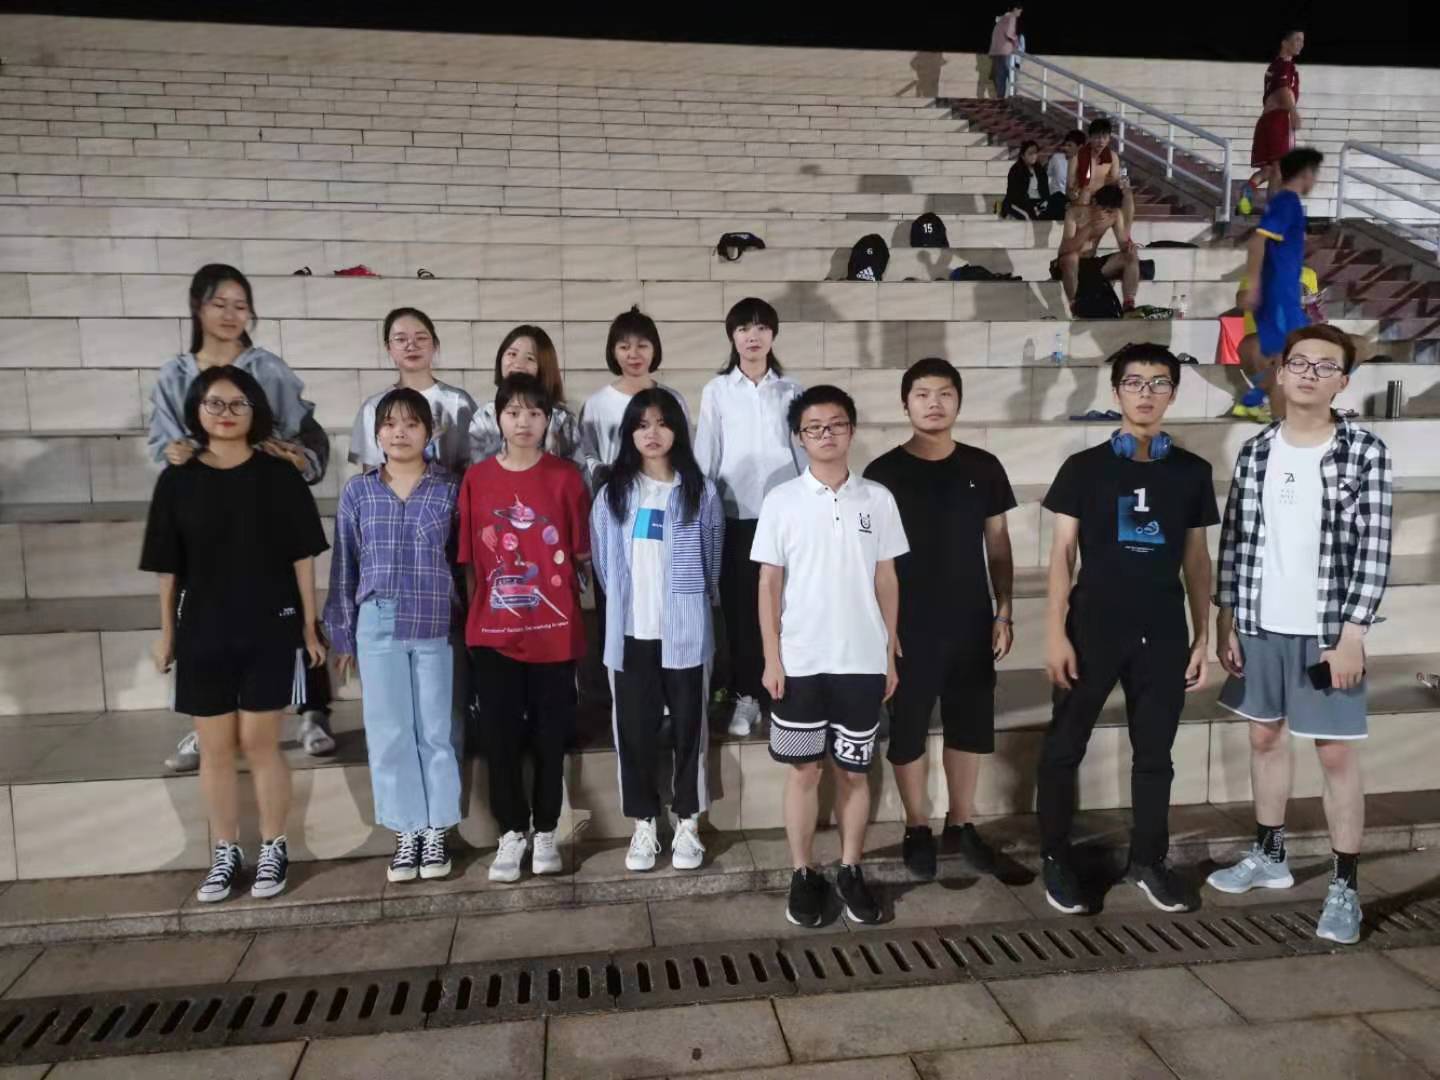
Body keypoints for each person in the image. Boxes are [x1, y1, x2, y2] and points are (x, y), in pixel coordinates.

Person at [1209, 325, 1391, 947]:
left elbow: (1374, 549)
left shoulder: (1363, 451)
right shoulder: (1257, 450)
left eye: (1325, 366)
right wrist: (1227, 618)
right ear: (1280, 373)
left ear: (1343, 382)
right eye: (1300, 363)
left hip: (1327, 632)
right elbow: (1236, 539)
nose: (1310, 373)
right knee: (1264, 737)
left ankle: (1345, 886)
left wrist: (1353, 633)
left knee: (1334, 754)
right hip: (1261, 624)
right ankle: (1270, 855)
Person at [1038, 344, 1219, 915]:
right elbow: (1062, 554)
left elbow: (1197, 559)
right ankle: (1055, 857)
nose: (1146, 393)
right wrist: (1054, 632)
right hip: (1092, 626)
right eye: (1135, 382)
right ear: (1116, 391)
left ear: (1173, 393)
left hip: (1162, 630)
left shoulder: (1192, 472)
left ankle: (1148, 860)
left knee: (1156, 754)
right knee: (1064, 746)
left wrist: (1202, 636)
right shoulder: (1083, 468)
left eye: (1159, 383)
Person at [141, 366, 328, 903]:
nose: (226, 414)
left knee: (260, 744)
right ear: (197, 410)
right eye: (215, 404)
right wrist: (167, 634)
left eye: (237, 404)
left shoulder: (279, 476)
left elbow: (303, 558)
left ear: (255, 411)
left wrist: (309, 628)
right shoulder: (177, 479)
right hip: (204, 630)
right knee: (216, 749)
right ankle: (225, 852)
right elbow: (167, 568)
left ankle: (273, 846)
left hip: (269, 627)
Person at [152, 264, 334, 774]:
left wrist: (297, 458)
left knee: (290, 602)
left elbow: (306, 434)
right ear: (197, 307)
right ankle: (209, 722)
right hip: (204, 503)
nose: (230, 314)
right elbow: (160, 442)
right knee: (204, 615)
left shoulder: (266, 367)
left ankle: (313, 709)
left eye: (240, 305)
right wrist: (173, 454)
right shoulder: (174, 375)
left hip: (265, 500)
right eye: (219, 303)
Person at [753, 386, 908, 928]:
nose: (826, 434)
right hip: (800, 660)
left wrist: (889, 653)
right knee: (803, 772)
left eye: (836, 424)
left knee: (853, 772)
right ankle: (802, 873)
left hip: (861, 660)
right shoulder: (781, 500)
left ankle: (850, 869)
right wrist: (772, 657)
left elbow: (887, 578)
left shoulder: (878, 499)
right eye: (814, 427)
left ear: (851, 430)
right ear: (799, 437)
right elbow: (768, 584)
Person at [864, 358, 1015, 881]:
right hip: (908, 625)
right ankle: (916, 826)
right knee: (908, 728)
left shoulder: (984, 466)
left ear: (959, 401)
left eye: (945, 393)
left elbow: (998, 543)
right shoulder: (882, 474)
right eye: (922, 394)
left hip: (971, 619)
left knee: (969, 725)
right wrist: (883, 632)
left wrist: (1004, 610)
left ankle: (962, 822)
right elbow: (871, 560)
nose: (934, 403)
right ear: (905, 403)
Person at [325, 388, 463, 885]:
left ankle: (437, 829)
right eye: (389, 424)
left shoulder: (450, 489)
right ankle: (407, 831)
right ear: (377, 433)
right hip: (377, 620)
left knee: (436, 730)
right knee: (388, 731)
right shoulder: (358, 492)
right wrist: (342, 633)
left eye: (411, 423)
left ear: (430, 431)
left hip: (434, 619)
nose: (399, 432)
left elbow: (462, 562)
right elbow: (344, 564)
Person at [459, 373, 591, 884]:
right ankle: (511, 832)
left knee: (550, 736)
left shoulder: (566, 478)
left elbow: (579, 556)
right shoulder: (477, 480)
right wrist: (480, 621)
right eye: (513, 412)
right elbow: (471, 565)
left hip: (554, 632)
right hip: (494, 636)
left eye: (535, 412)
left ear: (548, 420)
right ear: (498, 418)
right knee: (500, 738)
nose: (524, 422)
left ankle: (546, 831)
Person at [590, 390, 724, 873]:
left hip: (685, 630)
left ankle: (688, 820)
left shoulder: (700, 491)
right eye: (642, 424)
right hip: (631, 633)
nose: (652, 433)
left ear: (677, 431)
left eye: (662, 423)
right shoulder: (613, 493)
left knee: (690, 728)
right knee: (633, 731)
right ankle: (644, 822)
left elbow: (712, 558)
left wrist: (694, 603)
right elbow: (604, 564)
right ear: (629, 433)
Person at [694, 298, 806, 738]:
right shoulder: (717, 390)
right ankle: (746, 695)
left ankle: (784, 690)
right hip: (736, 516)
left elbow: (802, 452)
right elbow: (707, 454)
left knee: (787, 606)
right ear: (732, 336)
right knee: (741, 610)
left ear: (773, 335)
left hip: (785, 518)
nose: (752, 336)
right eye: (743, 329)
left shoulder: (792, 390)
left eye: (761, 328)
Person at [1239, 148, 1324, 415]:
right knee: (1291, 360)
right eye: (1315, 174)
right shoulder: (1287, 201)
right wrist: (1254, 285)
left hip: (1283, 292)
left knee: (1287, 358)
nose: (1315, 180)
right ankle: (1279, 421)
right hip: (1278, 294)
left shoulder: (1287, 202)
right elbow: (1257, 241)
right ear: (1306, 173)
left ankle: (1254, 398)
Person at [349, 308, 478, 476]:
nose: (411, 345)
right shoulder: (373, 407)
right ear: (389, 348)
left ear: (435, 345)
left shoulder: (459, 402)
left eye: (421, 338)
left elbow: (476, 467)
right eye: (401, 339)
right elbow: (370, 477)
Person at [579, 305, 691, 493]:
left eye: (642, 346)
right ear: (613, 352)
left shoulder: (673, 400)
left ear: (654, 349)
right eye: (624, 347)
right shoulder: (596, 404)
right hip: (614, 498)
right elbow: (587, 457)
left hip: (665, 496)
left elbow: (686, 452)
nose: (633, 354)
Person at [468, 325, 585, 471]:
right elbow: (477, 474)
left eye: (530, 358)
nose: (518, 364)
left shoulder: (561, 420)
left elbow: (578, 475)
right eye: (512, 354)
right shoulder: (484, 417)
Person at [1222, 265, 1324, 422]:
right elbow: (1242, 301)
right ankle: (1267, 400)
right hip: (1262, 336)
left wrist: (1312, 308)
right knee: (1256, 347)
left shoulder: (1308, 273)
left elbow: (1312, 309)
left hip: (1295, 335)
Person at [1241, 29, 1305, 215]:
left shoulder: (1273, 67)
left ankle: (1247, 191)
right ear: (1284, 43)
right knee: (1280, 169)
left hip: (1265, 121)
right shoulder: (1286, 65)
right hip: (1279, 120)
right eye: (1297, 39)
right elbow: (1284, 90)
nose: (1301, 44)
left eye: (1302, 40)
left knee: (1268, 170)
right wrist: (1293, 112)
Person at [1057, 183, 1140, 317]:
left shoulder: (1115, 215)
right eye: (1104, 210)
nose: (1106, 215)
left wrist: (1129, 247)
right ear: (1094, 202)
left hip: (1092, 263)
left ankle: (1129, 304)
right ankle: (1074, 305)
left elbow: (1122, 242)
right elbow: (1065, 250)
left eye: (1110, 211)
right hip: (1069, 263)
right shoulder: (1074, 214)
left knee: (1130, 257)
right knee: (1071, 258)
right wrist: (1090, 226)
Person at [1000, 140, 1053, 221]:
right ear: (1023, 156)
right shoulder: (1016, 170)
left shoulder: (1040, 170)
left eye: (1035, 153)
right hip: (1019, 203)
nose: (1034, 156)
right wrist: (1033, 207)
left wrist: (1043, 203)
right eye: (1030, 153)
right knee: (1029, 216)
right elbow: (1014, 195)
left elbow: (1045, 191)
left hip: (1037, 203)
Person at [1045, 130, 1086, 220]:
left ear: (1080, 147)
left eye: (1070, 146)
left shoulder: (1086, 164)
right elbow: (1048, 176)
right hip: (1057, 199)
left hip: (1075, 200)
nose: (1066, 148)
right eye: (1065, 145)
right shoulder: (1056, 158)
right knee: (1058, 197)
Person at [988, 6, 1022, 99]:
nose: (1020, 14)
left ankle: (1000, 99)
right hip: (1006, 51)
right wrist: (1016, 41)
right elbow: (1009, 33)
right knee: (1012, 75)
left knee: (1000, 78)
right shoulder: (1012, 17)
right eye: (1020, 11)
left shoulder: (1001, 19)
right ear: (1015, 9)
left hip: (995, 52)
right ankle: (1013, 98)